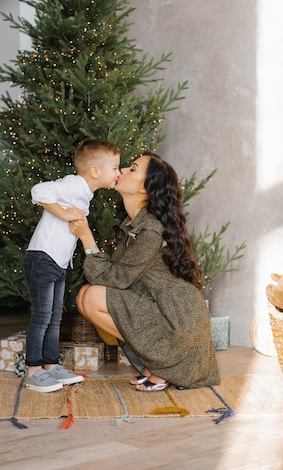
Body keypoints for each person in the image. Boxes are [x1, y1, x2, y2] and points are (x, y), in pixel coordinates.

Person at [70, 152, 220, 391]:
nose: (123, 170)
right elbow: (116, 276)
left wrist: (87, 238)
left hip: (179, 323)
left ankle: (164, 367)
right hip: (165, 313)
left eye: (133, 169)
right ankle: (158, 365)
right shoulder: (134, 225)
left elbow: (116, 279)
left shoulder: (151, 229)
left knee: (91, 297)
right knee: (84, 296)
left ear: (145, 188)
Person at [24, 139, 121, 393]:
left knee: (55, 317)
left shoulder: (84, 192)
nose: (118, 173)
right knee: (43, 317)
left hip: (57, 261)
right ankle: (33, 370)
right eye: (115, 167)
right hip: (43, 257)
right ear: (95, 171)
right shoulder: (74, 185)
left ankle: (50, 365)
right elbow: (39, 190)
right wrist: (64, 213)